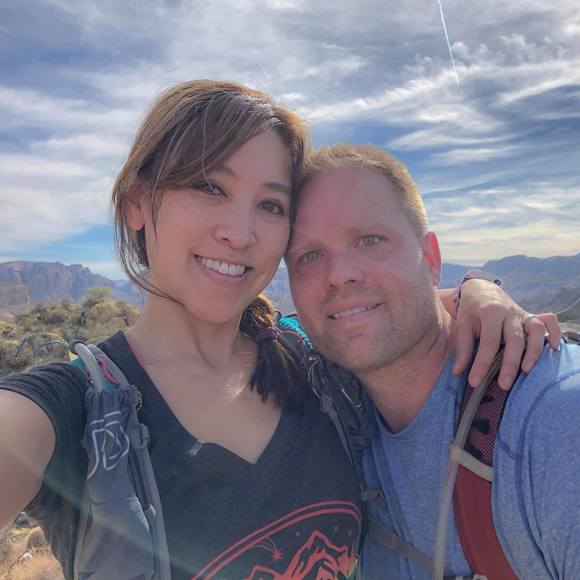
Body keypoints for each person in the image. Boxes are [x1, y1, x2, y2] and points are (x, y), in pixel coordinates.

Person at [0, 81, 558, 580]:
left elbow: (390, 304)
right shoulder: (69, 412)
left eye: (270, 205)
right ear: (137, 204)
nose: (240, 233)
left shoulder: (308, 364)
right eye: (209, 187)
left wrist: (479, 291)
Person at [286, 143, 580, 579]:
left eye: (369, 240)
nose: (339, 273)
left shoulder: (553, 418)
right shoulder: (332, 414)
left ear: (430, 259)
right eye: (309, 255)